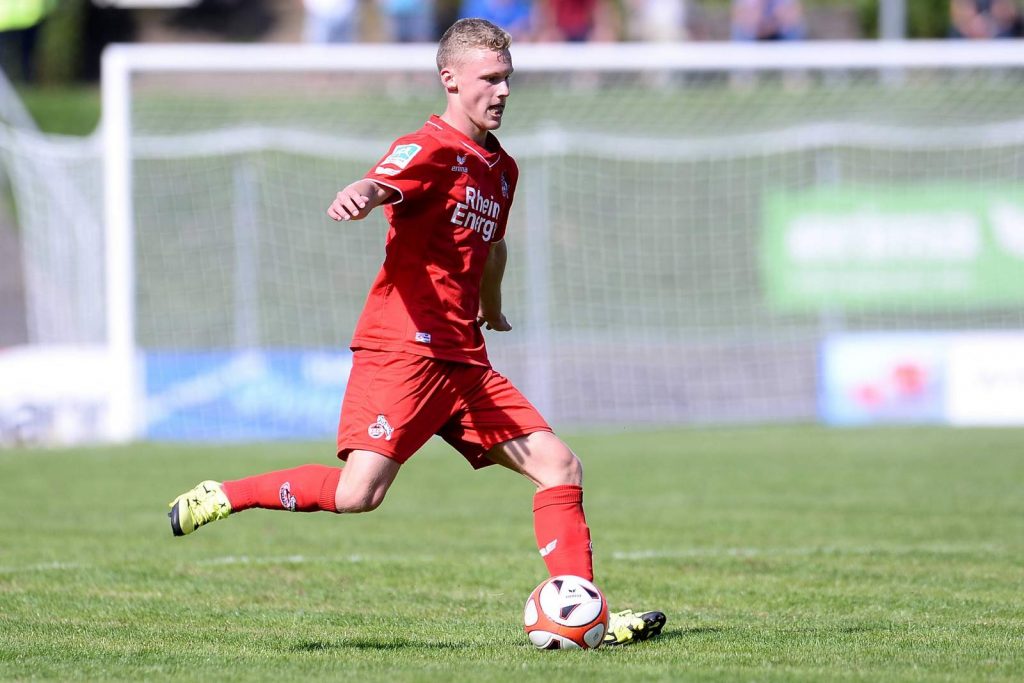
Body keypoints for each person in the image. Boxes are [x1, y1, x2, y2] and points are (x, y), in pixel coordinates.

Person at [168, 18, 665, 648]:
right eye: (490, 79)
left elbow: (492, 247)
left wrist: (494, 304)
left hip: (464, 359)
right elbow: (385, 180)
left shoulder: (503, 170)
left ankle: (584, 610)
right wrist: (363, 192)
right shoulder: (429, 147)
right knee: (357, 495)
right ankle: (228, 494)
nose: (503, 90)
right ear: (450, 79)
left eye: (507, 78)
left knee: (560, 466)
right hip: (402, 350)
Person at [730, 0, 806, 41]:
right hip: (754, 31)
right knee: (742, 30)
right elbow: (739, 16)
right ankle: (743, 67)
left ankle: (793, 68)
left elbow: (794, 14)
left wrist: (772, 25)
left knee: (792, 29)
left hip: (779, 30)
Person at [949, 0, 1022, 38]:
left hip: (997, 31)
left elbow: (1009, 10)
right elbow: (958, 10)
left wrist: (989, 25)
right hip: (967, 33)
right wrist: (972, 25)